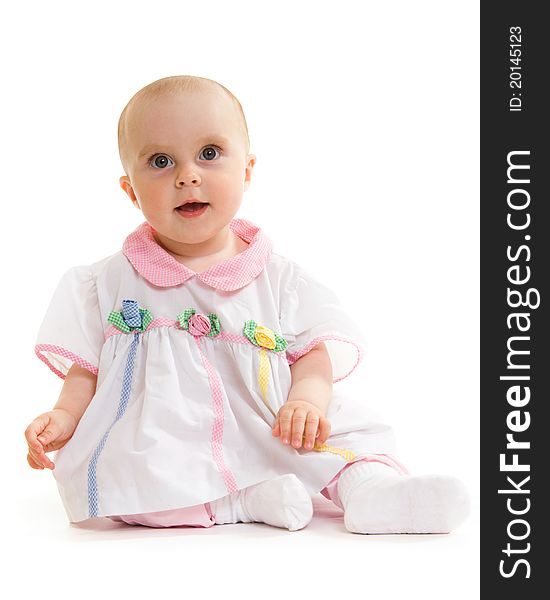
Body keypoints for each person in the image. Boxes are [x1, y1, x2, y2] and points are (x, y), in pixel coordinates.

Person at [24, 75, 470, 534]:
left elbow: (314, 353)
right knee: (119, 474)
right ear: (131, 190)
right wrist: (64, 417)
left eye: (210, 154)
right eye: (161, 161)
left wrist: (305, 401)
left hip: (270, 419)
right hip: (161, 431)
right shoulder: (104, 283)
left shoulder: (280, 278)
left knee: (342, 433)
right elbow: (87, 373)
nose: (188, 175)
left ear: (247, 170)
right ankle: (240, 501)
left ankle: (371, 491)